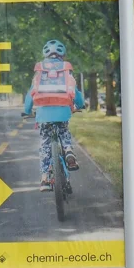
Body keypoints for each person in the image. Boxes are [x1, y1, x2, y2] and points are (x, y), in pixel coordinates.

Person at [25, 39, 85, 191]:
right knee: (64, 132)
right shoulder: (66, 70)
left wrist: (27, 110)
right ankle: (69, 151)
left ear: (45, 55)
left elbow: (31, 93)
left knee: (45, 143)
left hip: (43, 113)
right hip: (63, 111)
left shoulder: (40, 71)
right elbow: (75, 92)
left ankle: (45, 178)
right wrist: (81, 104)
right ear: (62, 54)